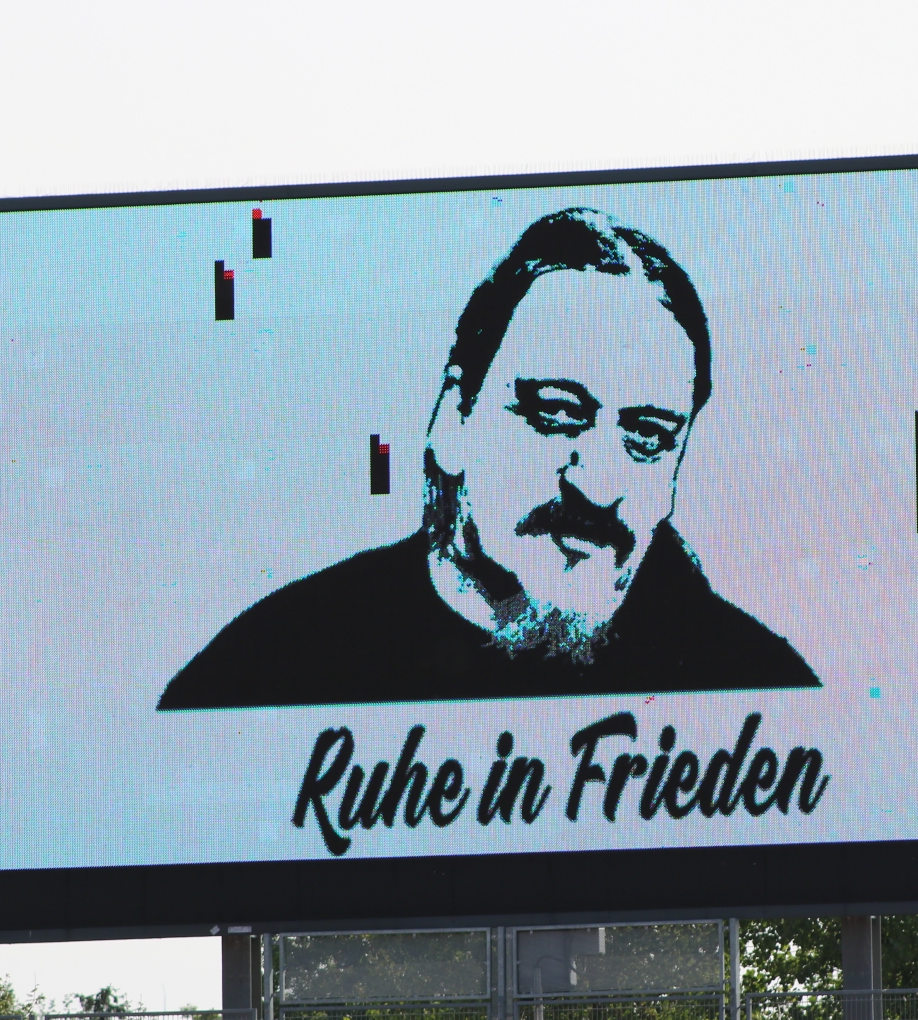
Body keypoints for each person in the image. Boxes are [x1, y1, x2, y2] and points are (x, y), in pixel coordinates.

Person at [159, 207, 819, 710]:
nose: (599, 483)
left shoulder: (762, 694)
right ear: (454, 418)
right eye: (557, 413)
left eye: (648, 437)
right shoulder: (270, 670)